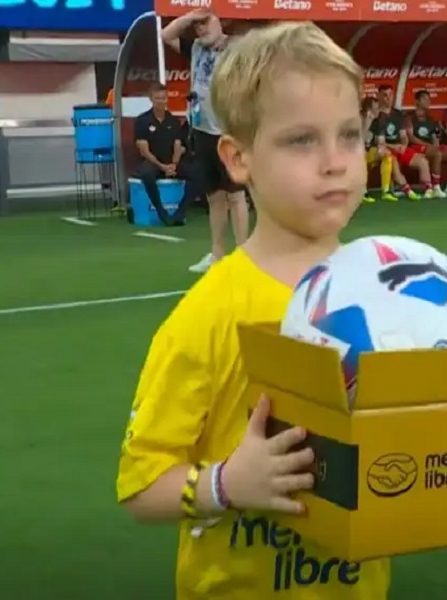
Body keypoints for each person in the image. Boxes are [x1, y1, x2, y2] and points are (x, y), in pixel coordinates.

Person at [116, 21, 389, 600]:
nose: (336, 161)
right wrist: (227, 484)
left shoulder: (388, 291)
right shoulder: (211, 312)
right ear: (238, 158)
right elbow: (141, 486)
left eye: (348, 135)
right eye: (302, 141)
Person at [161, 9, 249, 273]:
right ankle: (217, 253)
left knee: (236, 195)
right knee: (214, 196)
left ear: (218, 22)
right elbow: (166, 34)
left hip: (227, 132)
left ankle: (244, 256)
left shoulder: (234, 49)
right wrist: (189, 17)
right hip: (201, 131)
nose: (200, 31)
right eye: (196, 27)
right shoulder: (196, 48)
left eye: (205, 24)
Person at [133, 83, 190, 226]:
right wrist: (162, 166)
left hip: (170, 163)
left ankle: (180, 213)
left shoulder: (173, 120)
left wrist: (174, 164)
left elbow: (178, 145)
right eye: (157, 98)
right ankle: (161, 212)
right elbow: (144, 150)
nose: (161, 101)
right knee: (146, 174)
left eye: (163, 98)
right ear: (151, 99)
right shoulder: (142, 121)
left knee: (198, 174)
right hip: (153, 163)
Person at [375, 85, 425, 200]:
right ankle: (407, 190)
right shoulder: (376, 115)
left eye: (390, 95)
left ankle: (429, 189)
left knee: (422, 161)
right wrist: (394, 146)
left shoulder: (398, 114)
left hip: (399, 147)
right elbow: (379, 142)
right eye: (385, 95)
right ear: (379, 96)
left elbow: (404, 135)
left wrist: (403, 145)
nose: (388, 98)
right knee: (393, 160)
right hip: (385, 149)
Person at [406, 90, 447, 197]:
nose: (429, 101)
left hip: (429, 147)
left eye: (429, 99)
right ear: (417, 102)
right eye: (425, 99)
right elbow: (411, 137)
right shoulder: (409, 117)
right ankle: (436, 187)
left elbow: (434, 135)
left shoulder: (430, 118)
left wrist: (436, 143)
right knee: (437, 152)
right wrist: (429, 146)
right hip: (415, 147)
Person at [361, 96, 397, 203]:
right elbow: (359, 141)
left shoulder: (379, 120)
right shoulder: (357, 119)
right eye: (375, 109)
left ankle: (385, 192)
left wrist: (381, 147)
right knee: (361, 157)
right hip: (353, 153)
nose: (378, 111)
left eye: (378, 108)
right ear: (368, 110)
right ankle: (362, 192)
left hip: (369, 151)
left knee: (387, 154)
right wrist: (367, 122)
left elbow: (379, 139)